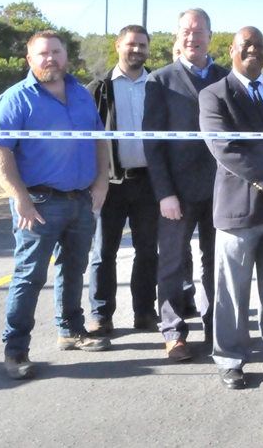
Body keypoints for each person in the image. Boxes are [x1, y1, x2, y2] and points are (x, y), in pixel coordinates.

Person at [0, 30, 112, 380]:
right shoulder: (14, 100)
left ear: (65, 56)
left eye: (56, 52)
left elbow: (99, 138)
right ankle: (16, 350)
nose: (50, 59)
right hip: (38, 203)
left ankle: (71, 330)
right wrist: (20, 198)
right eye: (42, 53)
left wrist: (101, 182)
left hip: (80, 201)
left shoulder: (81, 95)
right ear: (30, 59)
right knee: (29, 277)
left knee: (74, 270)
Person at [199, 27, 263, 390]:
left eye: (259, 47)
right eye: (246, 45)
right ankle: (230, 357)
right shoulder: (214, 95)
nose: (253, 51)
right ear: (231, 50)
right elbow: (226, 149)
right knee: (232, 289)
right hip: (238, 209)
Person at [144, 8, 230, 361]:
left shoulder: (227, 77)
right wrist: (165, 193)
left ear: (211, 35)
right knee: (173, 263)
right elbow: (153, 142)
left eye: (198, 31)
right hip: (176, 195)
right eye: (185, 31)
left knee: (217, 263)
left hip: (222, 192)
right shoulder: (160, 81)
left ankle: (216, 328)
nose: (192, 37)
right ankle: (174, 332)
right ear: (177, 37)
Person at [85, 24, 159, 336]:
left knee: (147, 251)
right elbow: (86, 138)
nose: (137, 50)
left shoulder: (159, 84)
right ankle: (101, 315)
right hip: (110, 184)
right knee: (104, 252)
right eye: (131, 44)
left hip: (149, 184)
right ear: (118, 46)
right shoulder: (97, 88)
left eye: (142, 45)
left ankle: (144, 312)